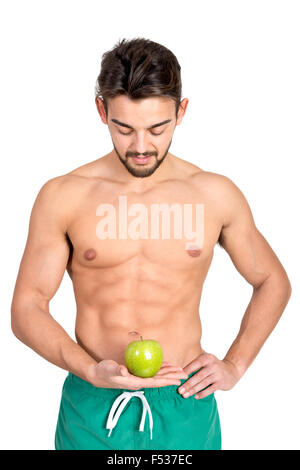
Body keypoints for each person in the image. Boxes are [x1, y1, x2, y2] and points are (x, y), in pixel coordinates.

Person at [11, 37, 292, 451]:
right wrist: (89, 369)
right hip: (93, 401)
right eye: (123, 128)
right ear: (101, 110)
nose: (141, 146)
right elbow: (26, 307)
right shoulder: (62, 196)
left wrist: (235, 364)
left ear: (181, 111)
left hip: (184, 400)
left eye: (157, 129)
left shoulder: (214, 194)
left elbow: (272, 280)